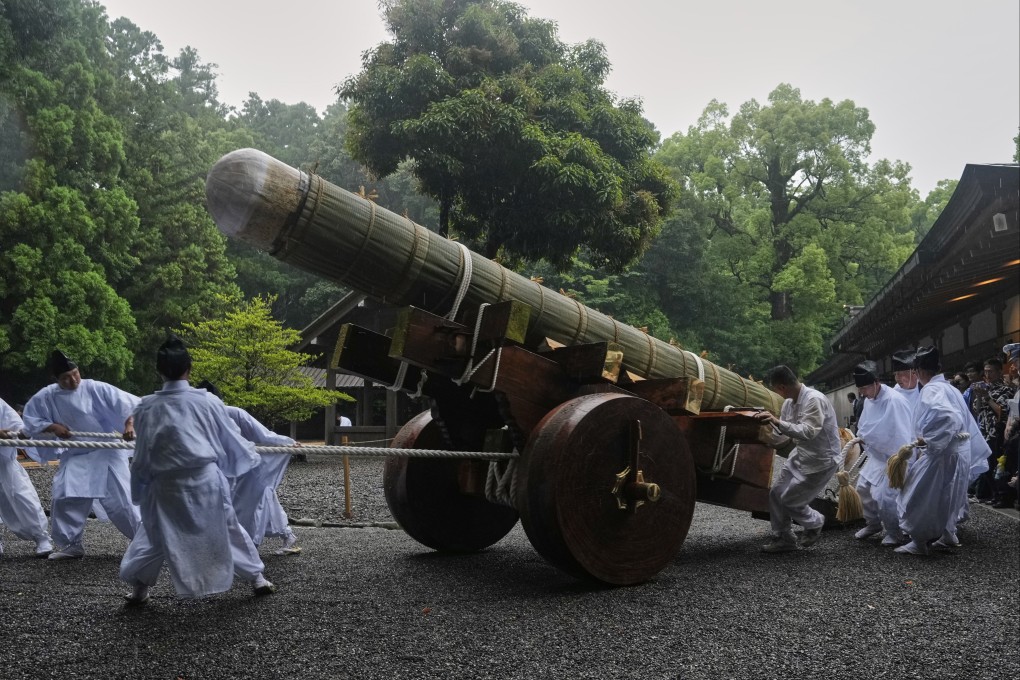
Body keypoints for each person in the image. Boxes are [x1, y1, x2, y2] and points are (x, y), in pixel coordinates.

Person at [119, 336, 276, 606]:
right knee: (228, 529)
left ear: (159, 371)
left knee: (155, 535)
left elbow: (143, 453)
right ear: (189, 369)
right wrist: (246, 456)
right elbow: (230, 439)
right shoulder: (208, 402)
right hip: (204, 481)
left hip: (165, 484)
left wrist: (139, 486)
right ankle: (257, 578)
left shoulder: (145, 406)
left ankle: (139, 587)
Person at [21, 350, 140, 560]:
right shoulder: (47, 395)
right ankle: (71, 545)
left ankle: (144, 542)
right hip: (76, 453)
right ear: (56, 379)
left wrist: (129, 424)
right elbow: (31, 418)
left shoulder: (95, 387)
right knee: (65, 496)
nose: (73, 379)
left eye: (75, 374)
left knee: (122, 502)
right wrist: (52, 426)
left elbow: (130, 405)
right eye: (66, 377)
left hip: (106, 451)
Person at [896, 346, 986, 556]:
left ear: (919, 371)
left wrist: (928, 440)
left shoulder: (932, 389)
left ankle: (919, 541)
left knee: (917, 496)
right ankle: (948, 534)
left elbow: (949, 417)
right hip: (958, 452)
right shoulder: (950, 388)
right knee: (949, 496)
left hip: (942, 453)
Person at [197, 381, 302, 555]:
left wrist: (288, 443)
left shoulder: (233, 413)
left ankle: (250, 548)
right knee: (259, 501)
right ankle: (284, 536)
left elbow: (263, 434)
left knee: (251, 505)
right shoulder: (199, 417)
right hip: (222, 468)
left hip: (246, 469)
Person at [754, 365, 842, 553]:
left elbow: (808, 431)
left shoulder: (814, 399)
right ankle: (784, 537)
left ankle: (815, 522)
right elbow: (785, 433)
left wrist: (777, 421)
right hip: (800, 454)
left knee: (790, 500)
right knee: (776, 493)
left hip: (822, 458)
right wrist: (762, 438)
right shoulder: (788, 403)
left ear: (781, 387)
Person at [849, 361, 914, 546]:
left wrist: (867, 437)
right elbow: (866, 425)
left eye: (864, 388)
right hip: (877, 455)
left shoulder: (894, 400)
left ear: (876, 383)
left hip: (895, 456)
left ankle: (895, 532)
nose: (862, 393)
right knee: (862, 488)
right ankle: (873, 523)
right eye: (860, 389)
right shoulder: (869, 400)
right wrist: (863, 436)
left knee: (885, 495)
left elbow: (897, 434)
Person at [0, 397, 53, 557]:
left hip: (5, 463)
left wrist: (17, 433)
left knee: (23, 497)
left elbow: (16, 424)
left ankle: (41, 537)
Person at [969, 357, 1011, 503]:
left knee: (996, 464)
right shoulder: (985, 387)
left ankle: (1000, 495)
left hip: (997, 431)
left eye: (991, 372)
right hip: (984, 431)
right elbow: (977, 409)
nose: (988, 375)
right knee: (986, 464)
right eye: (986, 372)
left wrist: (987, 397)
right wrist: (980, 396)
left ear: (999, 372)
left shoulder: (1006, 389)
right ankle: (993, 494)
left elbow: (1002, 411)